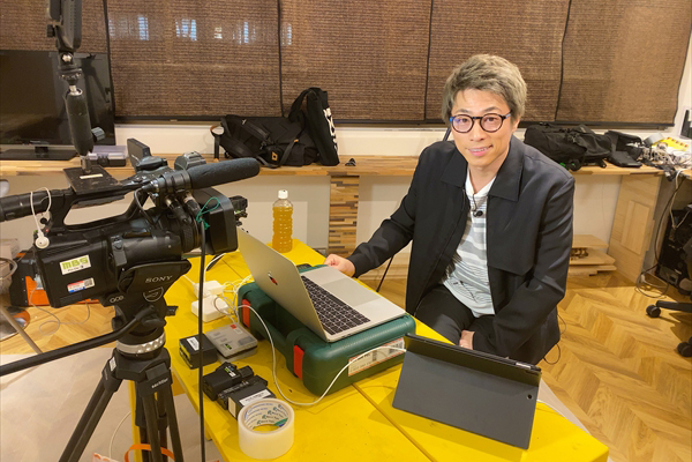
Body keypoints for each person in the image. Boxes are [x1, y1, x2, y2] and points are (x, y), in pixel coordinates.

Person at [324, 54, 574, 364]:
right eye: (463, 119)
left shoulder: (551, 184)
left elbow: (547, 284)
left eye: (491, 119)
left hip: (509, 310)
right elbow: (402, 224)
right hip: (451, 293)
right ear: (451, 120)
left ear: (515, 119)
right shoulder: (435, 161)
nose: (476, 134)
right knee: (425, 365)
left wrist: (487, 341)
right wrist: (353, 263)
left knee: (477, 382)